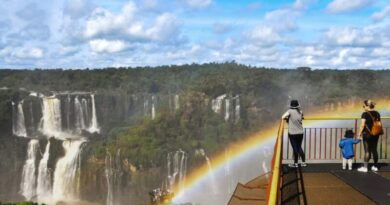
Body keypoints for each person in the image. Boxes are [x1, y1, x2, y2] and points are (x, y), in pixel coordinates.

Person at [357, 100, 381, 172]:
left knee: (367, 151)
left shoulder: (365, 114)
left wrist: (359, 133)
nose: (363, 107)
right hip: (375, 133)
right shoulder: (377, 113)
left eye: (364, 106)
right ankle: (375, 166)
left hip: (367, 134)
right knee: (374, 150)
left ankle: (365, 168)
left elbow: (362, 125)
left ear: (367, 106)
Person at [282, 99, 306, 167]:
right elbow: (301, 119)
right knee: (299, 147)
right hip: (300, 132)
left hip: (292, 133)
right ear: (297, 105)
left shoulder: (290, 111)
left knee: (295, 148)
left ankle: (295, 164)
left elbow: (282, 117)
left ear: (291, 105)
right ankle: (303, 162)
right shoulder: (300, 111)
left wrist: (287, 119)